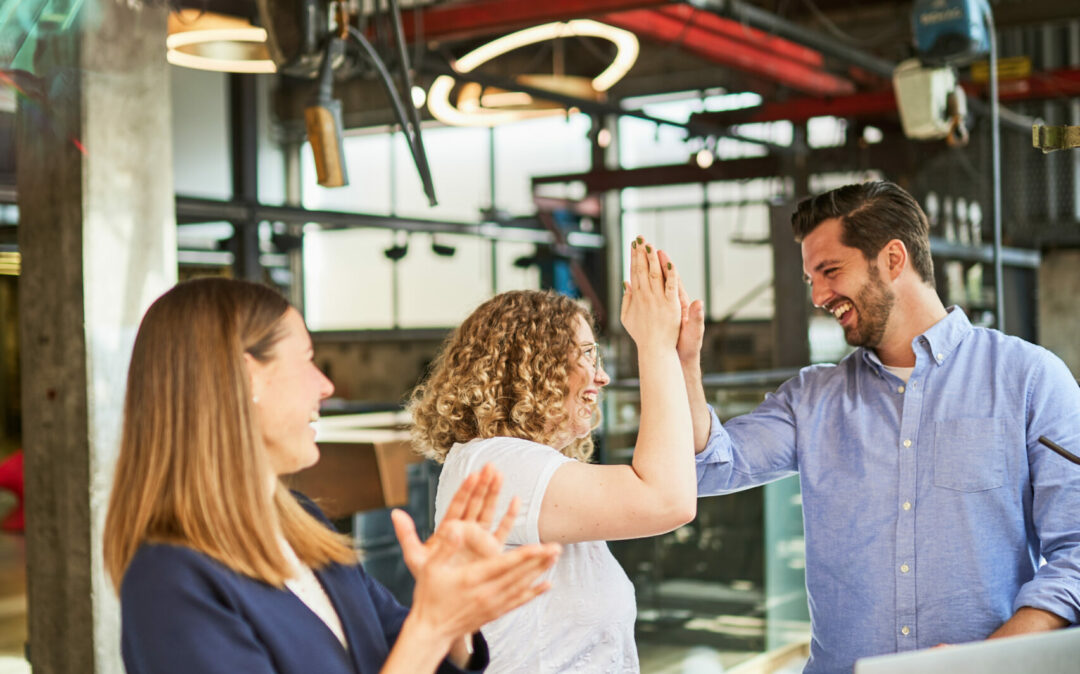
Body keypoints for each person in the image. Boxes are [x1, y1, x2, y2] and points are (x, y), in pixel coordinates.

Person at [675, 180, 1080, 673]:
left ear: (892, 259)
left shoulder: (1031, 379)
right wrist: (682, 365)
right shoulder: (811, 398)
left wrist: (988, 659)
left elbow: (1075, 554)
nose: (819, 295)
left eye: (830, 271)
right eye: (811, 281)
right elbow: (712, 465)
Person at [102, 277, 561, 674]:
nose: (325, 385)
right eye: (306, 359)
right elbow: (415, 646)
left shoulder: (301, 524)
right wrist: (432, 624)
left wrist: (454, 617)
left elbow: (399, 652)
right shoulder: (169, 582)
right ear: (246, 379)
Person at [408, 241, 697, 672]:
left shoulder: (517, 466)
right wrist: (653, 346)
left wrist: (680, 358)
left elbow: (680, 460)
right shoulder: (499, 464)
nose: (602, 376)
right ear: (532, 364)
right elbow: (667, 499)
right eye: (585, 353)